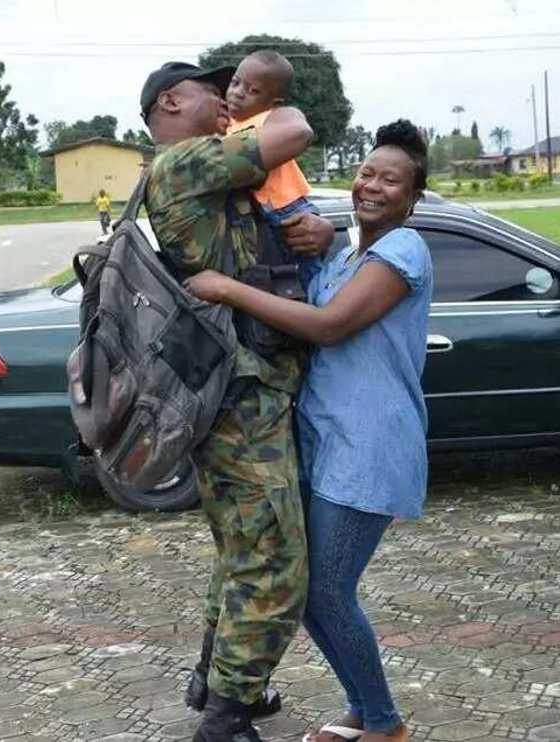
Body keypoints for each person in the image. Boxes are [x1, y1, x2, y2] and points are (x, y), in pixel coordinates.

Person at [186, 119, 434, 742]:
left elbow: (327, 326)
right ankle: (364, 710)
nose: (372, 186)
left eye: (391, 180)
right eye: (367, 173)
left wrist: (228, 290)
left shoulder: (405, 250)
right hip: (326, 440)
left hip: (370, 444)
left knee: (325, 590)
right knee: (307, 589)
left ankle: (384, 723)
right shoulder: (350, 252)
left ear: (412, 196)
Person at [139, 61, 329, 742]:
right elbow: (294, 129)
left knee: (240, 550)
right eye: (212, 96)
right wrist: (273, 107)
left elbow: (271, 242)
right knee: (274, 558)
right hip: (238, 398)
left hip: (241, 389)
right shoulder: (179, 163)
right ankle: (225, 720)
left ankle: (215, 681)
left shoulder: (214, 178)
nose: (228, 105)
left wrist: (321, 234)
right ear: (169, 103)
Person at [226, 50, 320, 227]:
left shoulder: (268, 120)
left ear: (274, 103)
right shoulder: (226, 121)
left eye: (253, 91)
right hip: (260, 209)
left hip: (287, 208)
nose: (238, 93)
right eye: (235, 82)